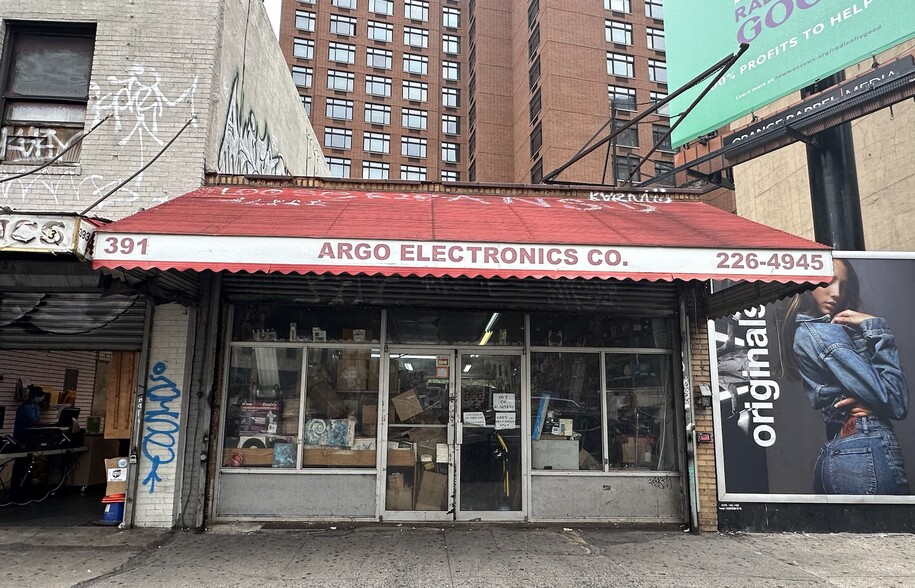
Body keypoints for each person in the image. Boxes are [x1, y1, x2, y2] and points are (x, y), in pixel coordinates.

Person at [782, 259, 909, 495]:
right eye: (828, 282)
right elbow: (895, 400)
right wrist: (878, 329)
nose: (836, 293)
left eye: (844, 285)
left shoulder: (810, 332)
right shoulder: (822, 333)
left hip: (846, 448)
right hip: (862, 445)